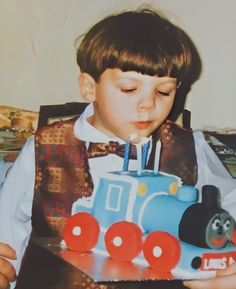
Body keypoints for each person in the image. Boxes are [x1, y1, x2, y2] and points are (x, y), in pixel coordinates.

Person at [0, 7, 236, 289]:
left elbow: (227, 208)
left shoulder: (190, 145)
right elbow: (8, 231)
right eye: (128, 89)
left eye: (163, 91)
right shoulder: (43, 148)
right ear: (89, 87)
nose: (148, 104)